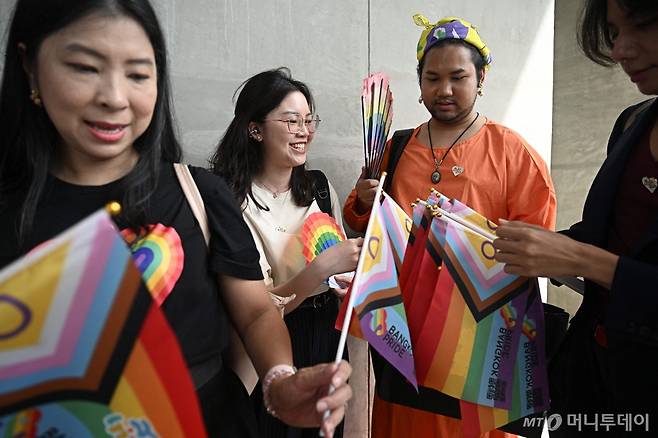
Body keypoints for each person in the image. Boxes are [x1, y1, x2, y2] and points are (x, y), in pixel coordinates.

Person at [0, 2, 351, 437]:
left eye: (138, 74)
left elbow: (257, 312)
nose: (114, 96)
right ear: (29, 67)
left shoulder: (199, 194)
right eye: (84, 67)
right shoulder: (12, 208)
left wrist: (279, 380)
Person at [342, 15, 557, 438]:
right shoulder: (397, 147)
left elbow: (538, 244)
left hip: (479, 338)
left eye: (458, 77)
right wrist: (364, 203)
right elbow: (359, 221)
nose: (444, 90)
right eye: (432, 77)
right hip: (404, 330)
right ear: (419, 83)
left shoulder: (512, 152)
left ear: (481, 78)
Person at [493, 1, 658, 436]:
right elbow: (608, 235)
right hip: (593, 377)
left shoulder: (512, 149)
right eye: (613, 31)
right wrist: (523, 246)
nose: (622, 49)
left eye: (641, 25)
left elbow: (593, 255)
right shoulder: (633, 123)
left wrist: (578, 258)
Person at [210, 67, 363, 438]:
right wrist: (320, 268)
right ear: (255, 129)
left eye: (309, 121)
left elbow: (338, 267)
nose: (304, 131)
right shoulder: (228, 200)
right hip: (270, 342)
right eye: (292, 121)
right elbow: (256, 307)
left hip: (328, 333)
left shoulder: (320, 187)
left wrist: (346, 276)